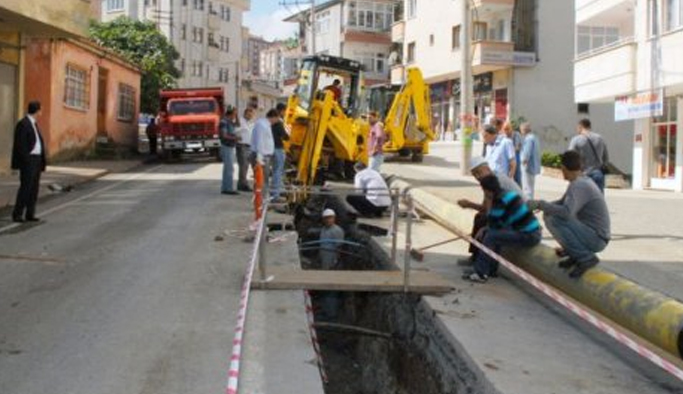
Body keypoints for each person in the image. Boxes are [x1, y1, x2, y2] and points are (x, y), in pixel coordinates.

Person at [529, 150, 610, 279]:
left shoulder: (579, 185)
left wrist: (541, 205)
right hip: (591, 233)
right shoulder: (580, 181)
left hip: (597, 238)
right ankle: (575, 254)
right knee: (550, 213)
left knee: (554, 219)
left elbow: (566, 212)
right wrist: (538, 205)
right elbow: (560, 203)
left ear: (563, 168)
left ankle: (585, 258)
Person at [464, 174, 542, 283]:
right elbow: (497, 223)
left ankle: (481, 273)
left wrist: (484, 229)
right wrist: (486, 228)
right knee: (496, 234)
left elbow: (494, 223)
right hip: (530, 231)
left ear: (487, 190)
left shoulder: (500, 200)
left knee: (491, 236)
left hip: (529, 235)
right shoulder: (506, 194)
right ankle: (490, 269)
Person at [458, 157, 523, 265]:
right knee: (480, 218)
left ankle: (484, 265)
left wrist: (486, 227)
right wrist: (469, 204)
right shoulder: (488, 181)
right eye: (474, 175)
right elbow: (486, 208)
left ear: (487, 169)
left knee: (486, 226)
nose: (477, 177)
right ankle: (475, 257)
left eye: (479, 172)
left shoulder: (497, 181)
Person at [11, 101, 47, 223]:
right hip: (29, 160)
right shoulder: (23, 124)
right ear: (37, 111)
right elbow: (20, 145)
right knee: (26, 187)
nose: (41, 112)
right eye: (41, 110)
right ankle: (17, 214)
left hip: (36, 160)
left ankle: (30, 213)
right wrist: (26, 161)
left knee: (34, 188)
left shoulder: (34, 124)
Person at [318, 208, 345, 320]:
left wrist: (336, 263)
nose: (329, 220)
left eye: (331, 218)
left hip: (332, 264)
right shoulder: (324, 229)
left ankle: (331, 314)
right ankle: (325, 310)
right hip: (325, 262)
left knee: (331, 288)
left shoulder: (337, 231)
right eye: (326, 218)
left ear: (334, 218)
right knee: (325, 286)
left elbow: (340, 249)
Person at [569, 118, 610, 193]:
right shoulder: (600, 138)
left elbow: (570, 157)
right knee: (598, 201)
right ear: (589, 127)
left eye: (577, 128)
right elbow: (606, 158)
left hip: (582, 175)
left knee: (582, 201)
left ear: (580, 127)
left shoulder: (576, 139)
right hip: (598, 174)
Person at [250, 111, 276, 192]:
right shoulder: (262, 125)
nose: (276, 121)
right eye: (277, 119)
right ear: (273, 117)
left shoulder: (266, 125)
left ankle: (260, 198)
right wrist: (259, 157)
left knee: (263, 178)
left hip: (264, 155)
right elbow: (259, 141)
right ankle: (261, 199)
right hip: (262, 156)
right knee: (262, 178)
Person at [270, 108, 289, 200]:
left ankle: (274, 191)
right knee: (278, 171)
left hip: (271, 149)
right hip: (278, 149)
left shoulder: (270, 125)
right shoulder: (278, 124)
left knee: (274, 171)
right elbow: (285, 136)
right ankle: (275, 194)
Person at [219, 106, 239, 195]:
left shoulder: (230, 122)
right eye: (234, 114)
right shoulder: (224, 122)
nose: (235, 116)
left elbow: (238, 125)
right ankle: (228, 188)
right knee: (229, 168)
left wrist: (236, 115)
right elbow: (224, 135)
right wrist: (235, 138)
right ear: (230, 114)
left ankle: (225, 187)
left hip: (230, 146)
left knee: (228, 168)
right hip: (226, 146)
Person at [236, 107, 256, 191]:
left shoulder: (252, 122)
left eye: (251, 114)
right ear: (245, 114)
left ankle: (254, 184)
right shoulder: (240, 121)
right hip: (242, 146)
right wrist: (237, 136)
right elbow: (235, 130)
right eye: (248, 114)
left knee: (249, 166)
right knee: (243, 166)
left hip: (251, 146)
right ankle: (242, 185)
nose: (250, 116)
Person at [520, 122, 541, 200]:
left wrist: (523, 162)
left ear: (524, 130)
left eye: (521, 130)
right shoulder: (535, 137)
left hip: (527, 167)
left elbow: (526, 154)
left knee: (527, 188)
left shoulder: (528, 139)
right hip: (533, 166)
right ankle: (530, 204)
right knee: (530, 188)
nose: (521, 132)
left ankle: (527, 206)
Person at [503, 121, 523, 185]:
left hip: (516, 157)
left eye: (507, 129)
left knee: (517, 177)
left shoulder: (516, 135)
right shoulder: (504, 136)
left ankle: (519, 191)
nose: (506, 131)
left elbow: (518, 147)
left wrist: (509, 150)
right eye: (505, 129)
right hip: (507, 158)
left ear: (511, 128)